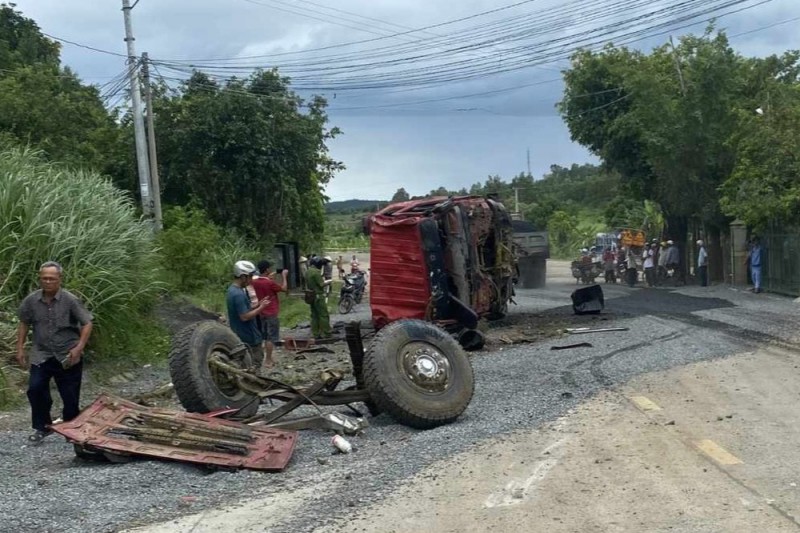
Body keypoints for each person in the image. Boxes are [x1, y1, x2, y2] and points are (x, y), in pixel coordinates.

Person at [16, 261, 93, 445]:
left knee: (70, 395)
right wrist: (20, 348)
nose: (48, 282)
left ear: (60, 279)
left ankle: (71, 429)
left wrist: (79, 347)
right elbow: (24, 323)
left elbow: (87, 323)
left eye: (52, 278)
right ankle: (41, 426)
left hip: (67, 354)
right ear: (39, 279)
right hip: (41, 353)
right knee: (35, 389)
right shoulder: (31, 301)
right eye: (44, 278)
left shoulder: (70, 300)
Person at [226, 260, 271, 372]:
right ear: (243, 277)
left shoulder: (233, 290)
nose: (251, 280)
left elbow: (244, 309)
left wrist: (258, 304)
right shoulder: (238, 294)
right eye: (250, 277)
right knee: (254, 365)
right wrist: (261, 308)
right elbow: (244, 316)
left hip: (241, 334)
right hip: (248, 336)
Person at [252, 260, 288, 373]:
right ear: (267, 269)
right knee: (270, 337)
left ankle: (269, 357)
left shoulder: (256, 282)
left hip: (261, 311)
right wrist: (284, 276)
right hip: (271, 311)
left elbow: (260, 282)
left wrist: (269, 277)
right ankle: (268, 360)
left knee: (265, 335)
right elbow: (284, 288)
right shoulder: (269, 283)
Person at [306, 256, 332, 339]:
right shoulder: (316, 272)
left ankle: (316, 333)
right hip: (318, 295)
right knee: (323, 315)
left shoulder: (308, 271)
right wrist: (328, 281)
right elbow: (321, 284)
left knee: (314, 315)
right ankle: (327, 332)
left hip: (311, 295)